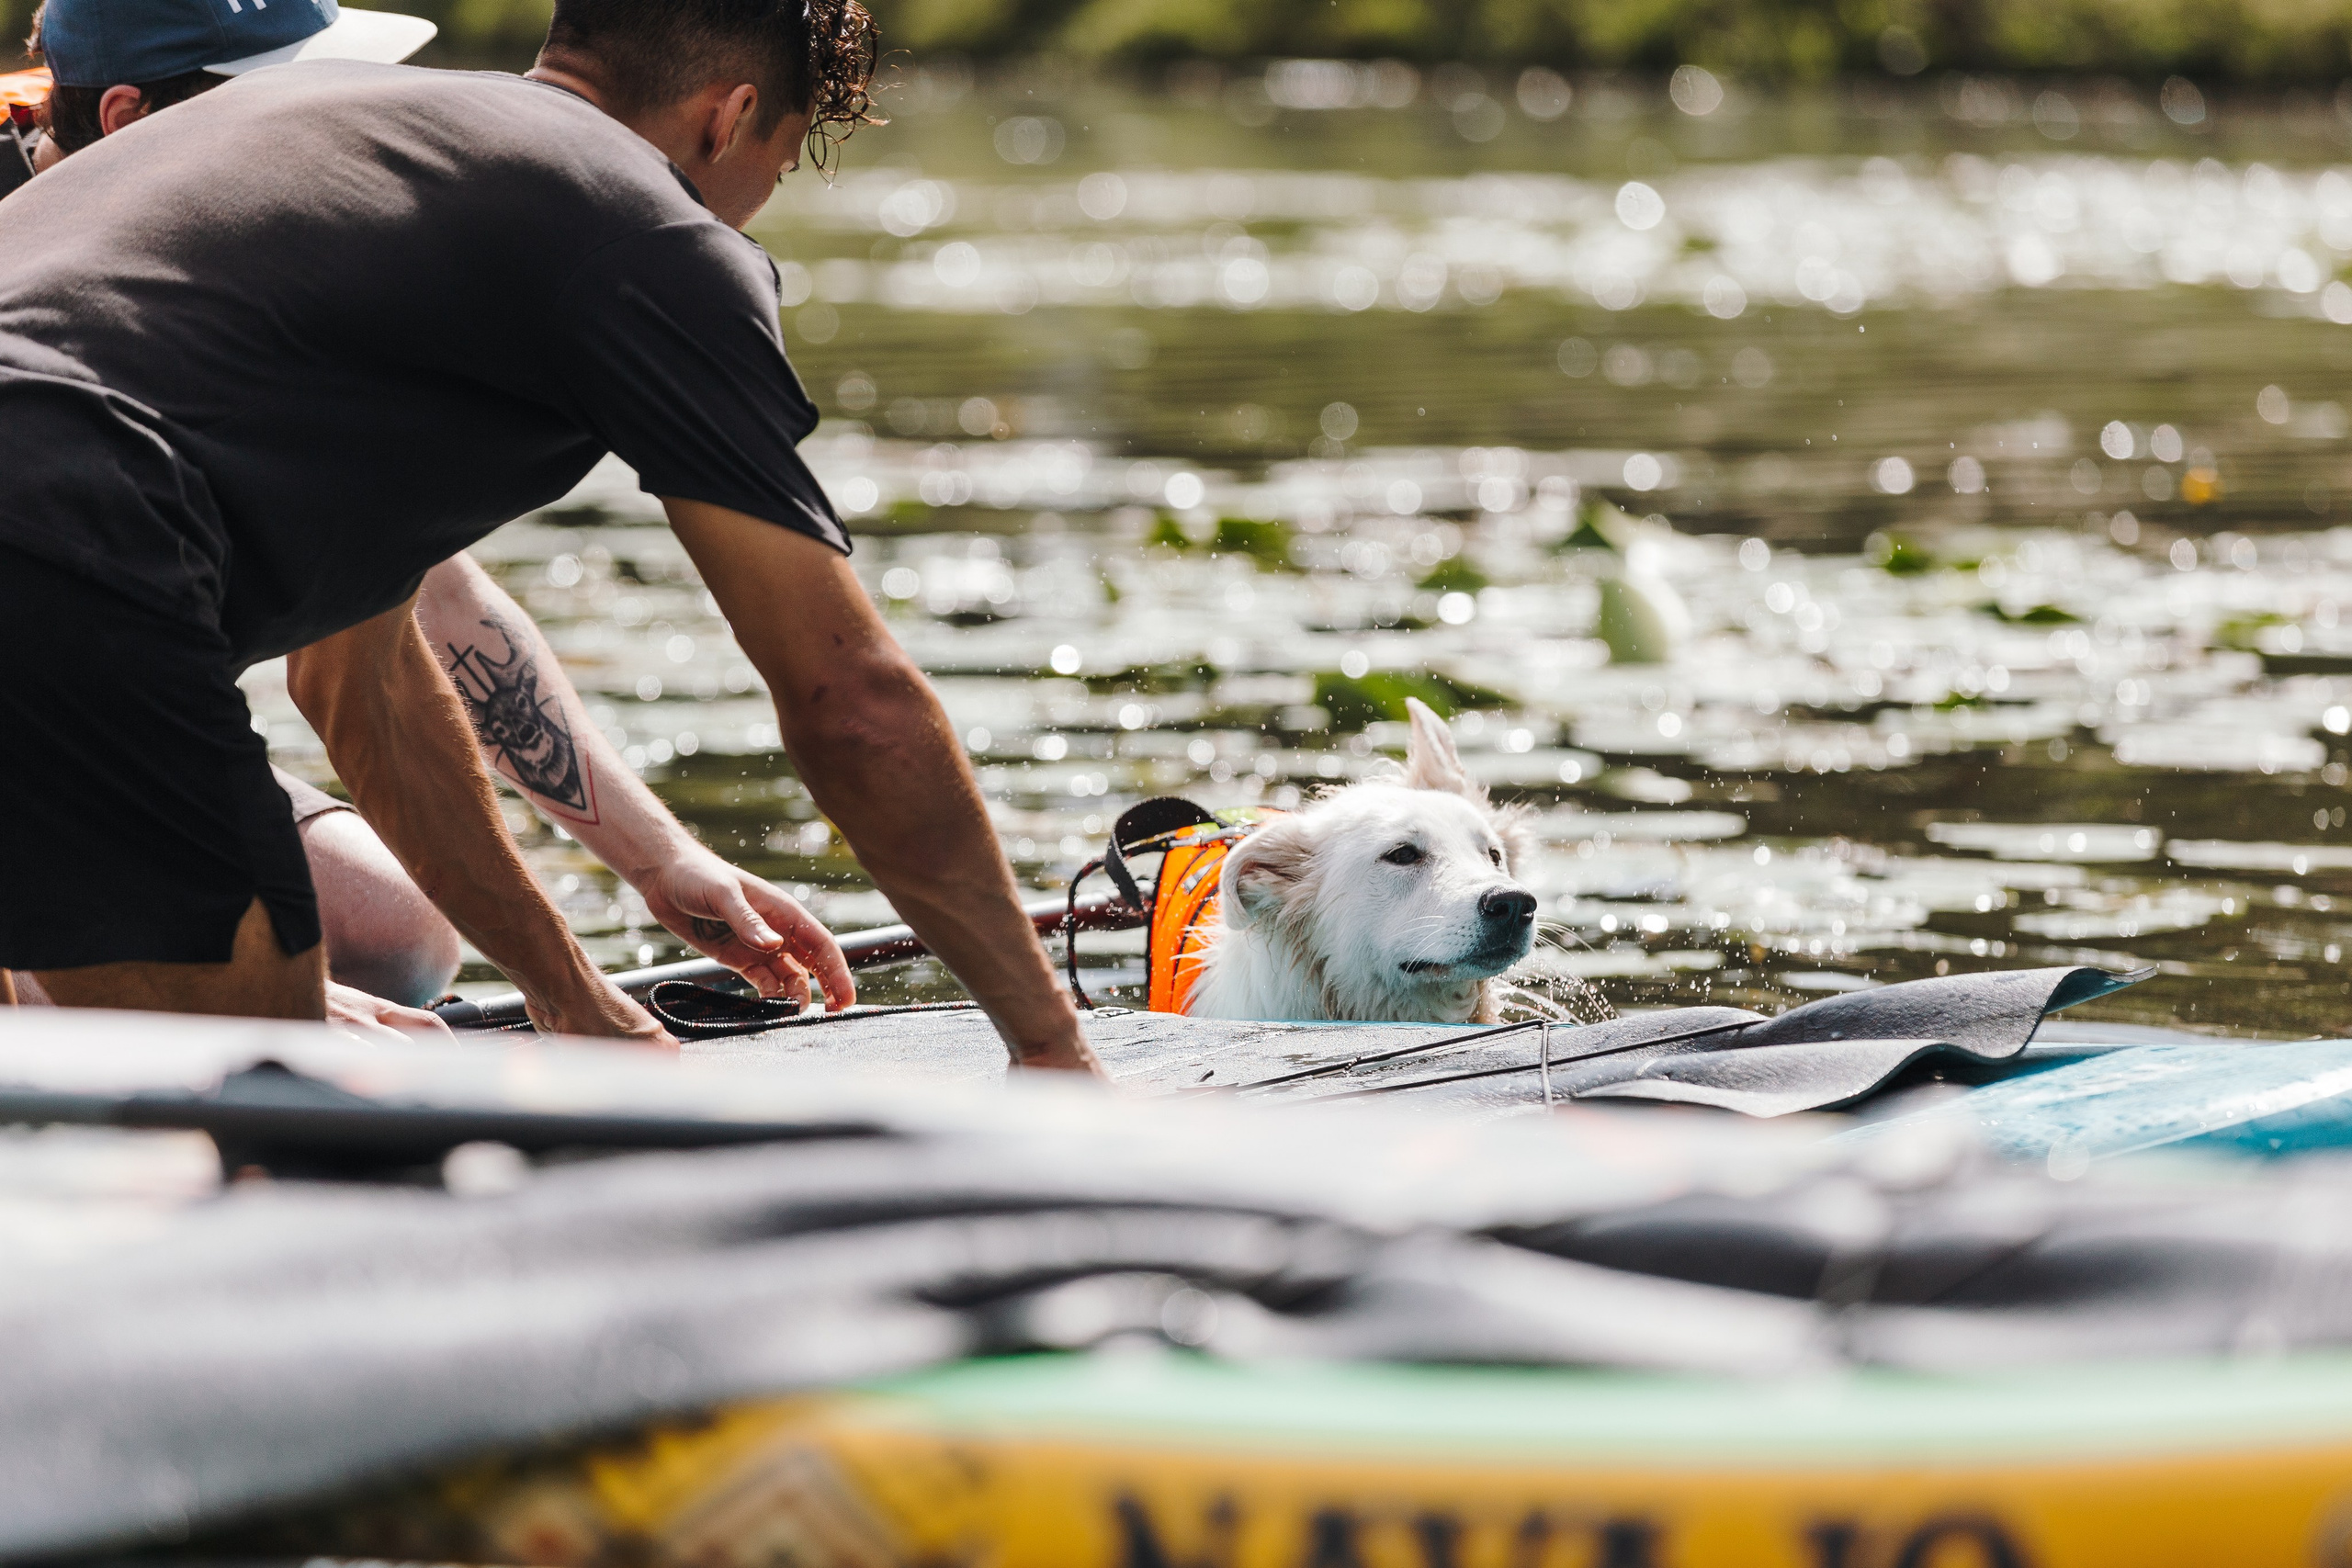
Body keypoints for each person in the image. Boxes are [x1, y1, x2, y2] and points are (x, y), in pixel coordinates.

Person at [0, 0, 1101, 1071]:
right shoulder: (651, 234)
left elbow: (370, 692)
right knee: (278, 1112)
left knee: (325, 989)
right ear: (729, 118)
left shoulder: (365, 152)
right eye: (778, 165)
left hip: (54, 542)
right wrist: (1051, 1046)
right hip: (64, 537)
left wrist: (569, 988)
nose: (754, 208)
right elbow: (847, 698)